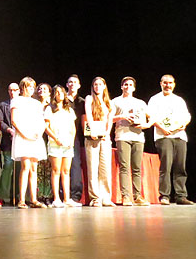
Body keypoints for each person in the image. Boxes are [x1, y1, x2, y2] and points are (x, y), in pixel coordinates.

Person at [148, 74, 193, 205]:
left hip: (179, 136)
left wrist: (184, 124)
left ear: (174, 84)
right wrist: (161, 128)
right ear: (161, 84)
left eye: (170, 83)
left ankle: (181, 195)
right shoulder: (155, 99)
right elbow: (150, 116)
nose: (168, 85)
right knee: (166, 166)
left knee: (180, 166)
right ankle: (164, 195)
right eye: (165, 83)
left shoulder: (179, 100)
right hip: (163, 136)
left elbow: (187, 116)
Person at [111, 77, 151, 206]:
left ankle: (137, 196)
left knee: (137, 168)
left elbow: (151, 117)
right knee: (124, 167)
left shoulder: (140, 103)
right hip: (123, 136)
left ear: (134, 88)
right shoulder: (115, 101)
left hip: (138, 137)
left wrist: (146, 125)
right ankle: (126, 196)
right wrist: (122, 116)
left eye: (130, 85)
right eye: (125, 84)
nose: (128, 87)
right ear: (121, 87)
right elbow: (109, 118)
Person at [11, 77, 48, 209]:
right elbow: (14, 120)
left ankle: (34, 199)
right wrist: (24, 134)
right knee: (25, 166)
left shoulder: (37, 103)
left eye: (33, 87)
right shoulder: (17, 100)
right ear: (23, 88)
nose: (31, 89)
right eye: (28, 87)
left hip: (35, 137)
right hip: (23, 136)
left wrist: (39, 132)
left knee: (34, 168)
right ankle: (21, 199)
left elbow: (41, 121)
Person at [44, 85, 81, 208]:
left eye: (61, 92)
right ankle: (56, 199)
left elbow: (73, 128)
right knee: (56, 171)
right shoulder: (49, 109)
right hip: (55, 143)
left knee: (66, 171)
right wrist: (56, 138)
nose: (59, 94)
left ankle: (67, 198)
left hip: (67, 144)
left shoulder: (69, 110)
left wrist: (71, 140)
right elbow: (46, 127)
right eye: (57, 92)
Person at [84, 77, 115, 207]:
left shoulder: (109, 102)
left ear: (104, 86)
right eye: (95, 84)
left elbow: (110, 120)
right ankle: (95, 198)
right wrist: (92, 131)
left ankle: (106, 197)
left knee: (105, 167)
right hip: (93, 136)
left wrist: (107, 133)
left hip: (105, 137)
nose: (97, 86)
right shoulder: (89, 98)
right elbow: (89, 115)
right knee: (93, 167)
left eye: (100, 84)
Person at [0, 82, 19, 206]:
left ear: (19, 91)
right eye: (10, 90)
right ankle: (1, 196)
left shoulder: (22, 104)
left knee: (19, 169)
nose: (12, 92)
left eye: (15, 90)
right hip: (8, 141)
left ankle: (18, 196)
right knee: (8, 166)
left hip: (21, 140)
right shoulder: (3, 105)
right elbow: (1, 121)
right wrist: (9, 130)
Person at [65, 74, 85, 203]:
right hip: (61, 136)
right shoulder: (61, 100)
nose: (72, 84)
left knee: (75, 165)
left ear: (79, 85)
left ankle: (75, 195)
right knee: (62, 166)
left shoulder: (82, 102)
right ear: (67, 85)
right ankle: (62, 194)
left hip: (76, 137)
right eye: (70, 82)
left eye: (75, 82)